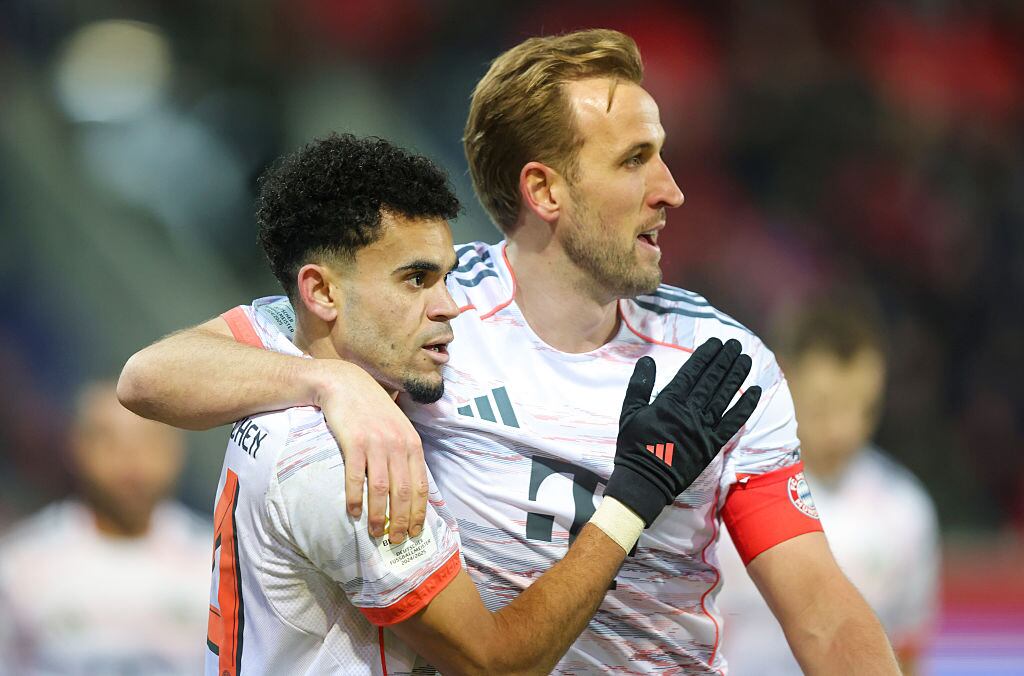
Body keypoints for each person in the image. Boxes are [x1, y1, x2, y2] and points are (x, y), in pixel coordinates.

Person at [119, 29, 900, 672]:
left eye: (660, 154)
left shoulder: (719, 362)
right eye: (633, 160)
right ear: (545, 190)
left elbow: (820, 611)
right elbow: (151, 377)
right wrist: (333, 383)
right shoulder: (420, 314)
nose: (672, 189)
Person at [201, 132, 760, 675]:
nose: (449, 305)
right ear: (322, 292)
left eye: (445, 277)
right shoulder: (347, 464)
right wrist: (633, 497)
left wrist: (338, 382)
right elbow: (496, 665)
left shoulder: (281, 361)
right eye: (415, 279)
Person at [717, 295, 941, 674]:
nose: (844, 428)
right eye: (824, 405)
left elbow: (906, 652)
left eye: (863, 406)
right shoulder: (719, 491)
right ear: (783, 377)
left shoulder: (906, 509)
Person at [0, 381, 210, 675]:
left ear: (176, 449)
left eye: (148, 441)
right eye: (110, 441)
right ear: (76, 447)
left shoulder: (215, 563)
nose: (132, 460)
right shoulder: (21, 565)